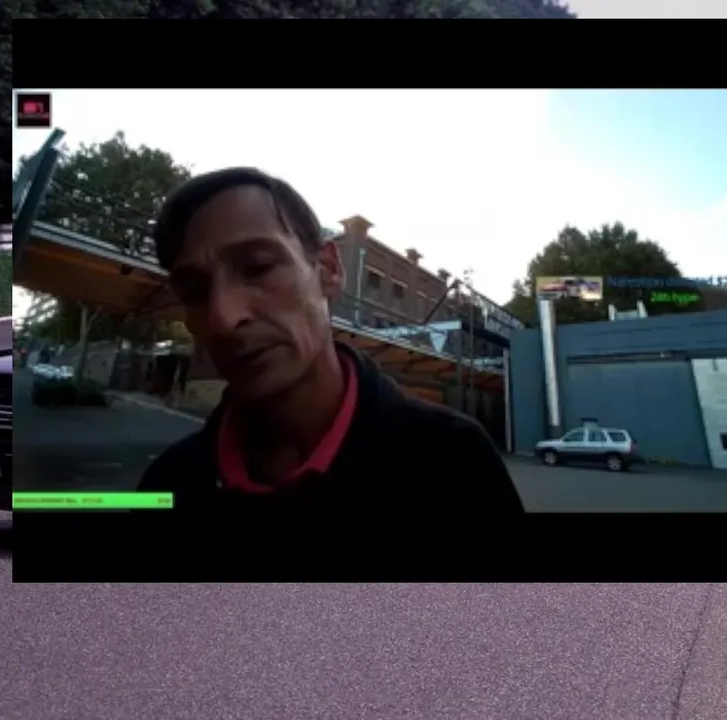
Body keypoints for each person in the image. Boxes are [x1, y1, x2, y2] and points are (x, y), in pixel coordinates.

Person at [138, 167, 523, 513]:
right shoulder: (166, 486)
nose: (223, 318)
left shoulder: (454, 463)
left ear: (329, 269)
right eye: (194, 290)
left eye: (257, 268)